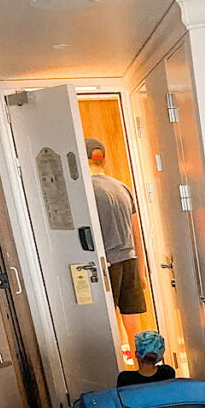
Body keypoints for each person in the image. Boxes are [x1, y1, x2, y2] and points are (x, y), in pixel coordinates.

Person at [85, 138, 148, 361]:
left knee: (108, 320)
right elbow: (136, 230)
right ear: (103, 159)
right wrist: (141, 269)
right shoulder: (122, 187)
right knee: (132, 318)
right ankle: (142, 365)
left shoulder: (87, 190)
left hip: (105, 263)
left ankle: (117, 367)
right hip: (129, 259)